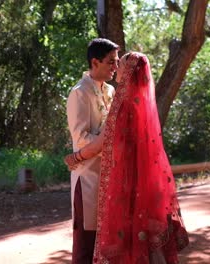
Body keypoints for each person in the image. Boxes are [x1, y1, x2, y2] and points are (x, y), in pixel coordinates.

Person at [65, 52, 189, 263]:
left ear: (129, 72)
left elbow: (103, 141)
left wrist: (76, 157)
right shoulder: (142, 104)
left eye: (120, 65)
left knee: (127, 236)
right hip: (145, 181)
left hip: (125, 182)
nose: (116, 69)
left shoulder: (122, 104)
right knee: (143, 233)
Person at [66, 38, 120, 264]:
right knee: (86, 243)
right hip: (87, 178)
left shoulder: (111, 90)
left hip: (111, 178)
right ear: (95, 62)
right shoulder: (79, 93)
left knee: (107, 241)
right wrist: (110, 145)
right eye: (111, 62)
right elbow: (80, 138)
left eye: (116, 62)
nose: (115, 68)